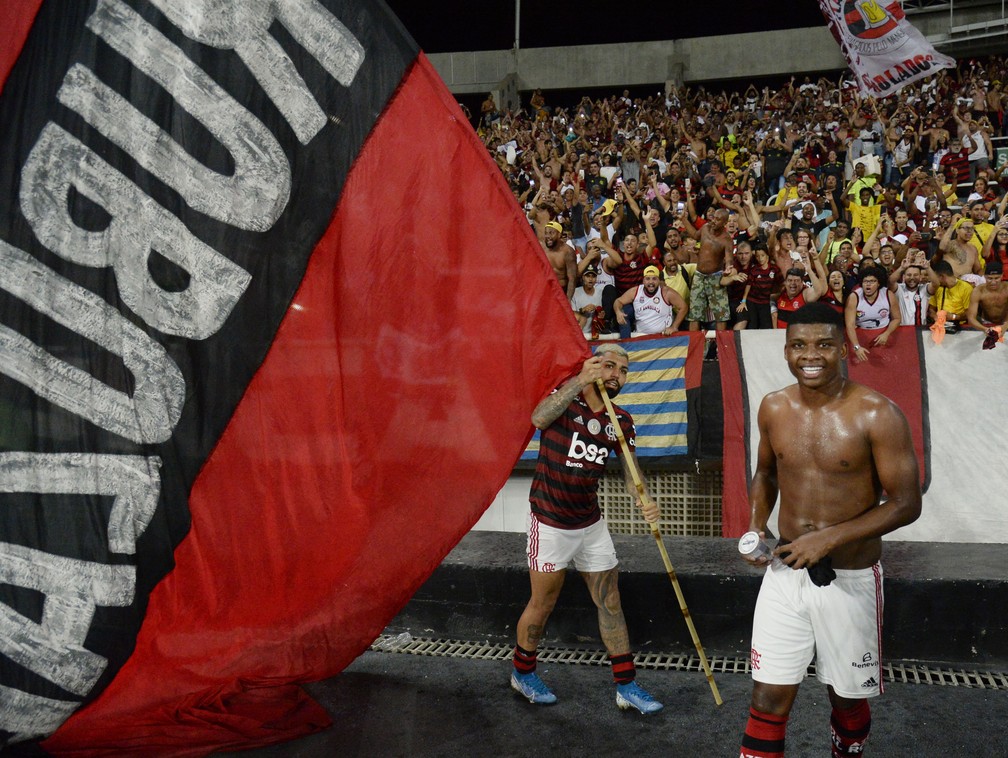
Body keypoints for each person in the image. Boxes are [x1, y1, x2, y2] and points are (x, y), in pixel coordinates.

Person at [739, 302, 922, 758]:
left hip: (851, 578)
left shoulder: (877, 414)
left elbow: (906, 503)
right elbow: (765, 473)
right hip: (784, 574)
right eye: (799, 345)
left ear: (842, 348)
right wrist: (757, 526)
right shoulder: (774, 407)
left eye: (823, 344)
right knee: (767, 699)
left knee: (846, 698)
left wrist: (828, 537)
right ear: (785, 351)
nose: (810, 355)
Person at [512, 345, 663, 715]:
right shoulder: (565, 401)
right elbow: (538, 417)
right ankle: (522, 673)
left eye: (624, 371)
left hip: (590, 523)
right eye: (609, 365)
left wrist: (644, 497)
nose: (616, 375)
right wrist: (580, 379)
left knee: (610, 601)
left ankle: (626, 686)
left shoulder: (621, 421)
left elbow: (630, 471)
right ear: (593, 366)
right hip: (550, 523)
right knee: (542, 603)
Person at [679, 207, 734, 330]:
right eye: (714, 217)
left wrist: (729, 268)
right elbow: (694, 235)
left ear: (725, 223)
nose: (714, 221)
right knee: (694, 314)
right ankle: (694, 345)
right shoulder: (705, 228)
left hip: (716, 277)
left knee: (721, 314)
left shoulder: (726, 240)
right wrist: (683, 219)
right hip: (699, 276)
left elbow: (729, 259)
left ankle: (721, 346)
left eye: (718, 219)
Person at [844, 266, 902, 362]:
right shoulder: (854, 297)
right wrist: (856, 347)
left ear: (879, 283)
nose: (868, 284)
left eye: (872, 281)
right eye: (865, 281)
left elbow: (897, 318)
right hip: (861, 336)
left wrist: (887, 333)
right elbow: (849, 325)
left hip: (884, 336)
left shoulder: (888, 295)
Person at [613, 265, 687, 337]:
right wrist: (618, 312)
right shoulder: (635, 291)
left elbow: (684, 307)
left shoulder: (666, 292)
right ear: (643, 280)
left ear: (658, 280)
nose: (651, 282)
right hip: (641, 336)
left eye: (654, 279)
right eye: (647, 279)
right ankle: (626, 343)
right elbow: (618, 301)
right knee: (625, 311)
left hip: (662, 337)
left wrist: (674, 327)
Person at [966, 259, 1008, 339]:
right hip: (985, 323)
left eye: (996, 278)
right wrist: (984, 329)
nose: (993, 282)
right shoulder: (978, 291)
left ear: (1002, 276)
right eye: (990, 278)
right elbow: (971, 318)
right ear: (984, 276)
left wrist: (1005, 326)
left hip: (1006, 322)